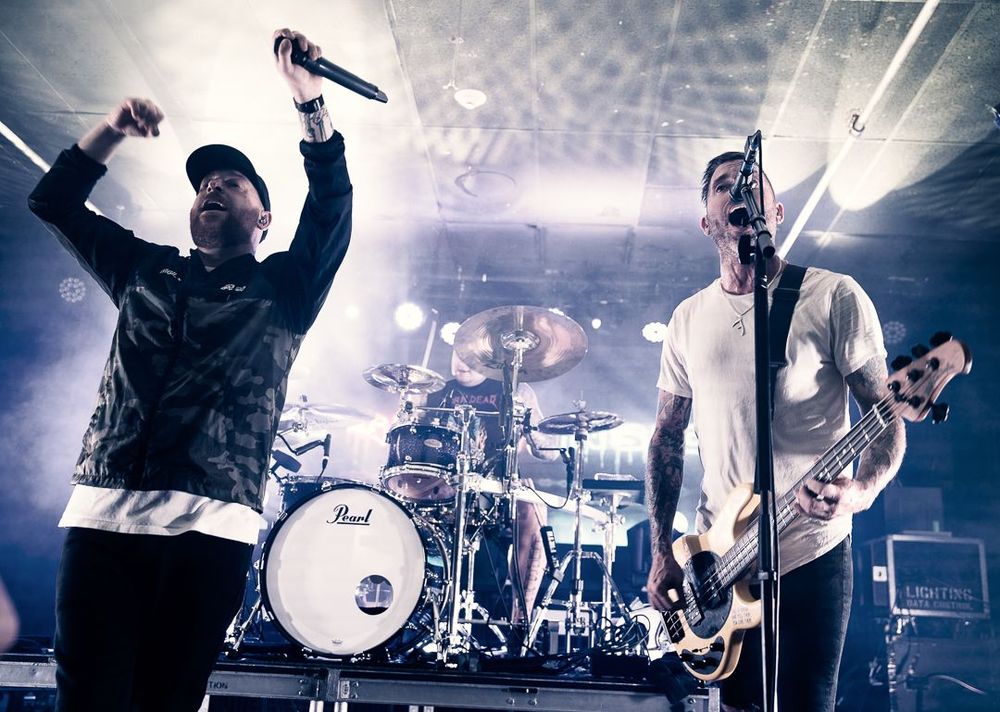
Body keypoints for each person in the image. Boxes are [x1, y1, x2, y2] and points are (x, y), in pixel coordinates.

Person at [27, 29, 352, 712]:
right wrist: (111, 130)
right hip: (103, 516)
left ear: (263, 218)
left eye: (232, 183)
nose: (213, 187)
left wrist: (310, 103)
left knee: (164, 702)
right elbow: (52, 202)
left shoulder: (283, 288)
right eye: (205, 183)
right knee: (85, 701)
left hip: (210, 526)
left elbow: (331, 208)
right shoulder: (144, 269)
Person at [644, 152, 906, 711]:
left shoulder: (832, 295)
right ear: (708, 221)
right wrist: (661, 548)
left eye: (752, 183)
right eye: (724, 186)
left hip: (812, 549)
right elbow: (667, 436)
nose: (739, 190)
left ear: (776, 212)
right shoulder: (687, 319)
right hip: (719, 562)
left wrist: (861, 492)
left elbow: (885, 414)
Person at [423, 350, 558, 631]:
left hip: (496, 487)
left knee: (532, 508)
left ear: (487, 357)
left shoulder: (512, 390)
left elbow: (549, 453)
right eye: (456, 354)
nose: (461, 362)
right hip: (445, 487)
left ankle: (520, 622)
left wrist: (527, 414)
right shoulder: (435, 392)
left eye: (469, 356)